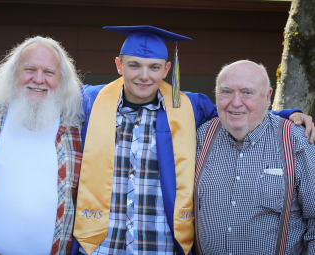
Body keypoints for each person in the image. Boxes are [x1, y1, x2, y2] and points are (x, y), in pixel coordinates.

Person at [71, 26, 313, 255]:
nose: (144, 76)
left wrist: (287, 114)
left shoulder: (188, 106)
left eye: (154, 67)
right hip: (101, 245)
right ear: (118, 65)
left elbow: (235, 112)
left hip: (160, 245)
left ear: (166, 70)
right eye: (134, 65)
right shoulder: (90, 101)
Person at [0, 36, 83, 255]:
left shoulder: (76, 129)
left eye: (49, 72)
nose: (38, 79)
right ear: (13, 73)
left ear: (62, 80)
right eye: (30, 69)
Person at [195, 60, 315, 254]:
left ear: (268, 97)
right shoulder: (201, 137)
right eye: (226, 92)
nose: (235, 102)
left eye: (247, 92)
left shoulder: (297, 141)